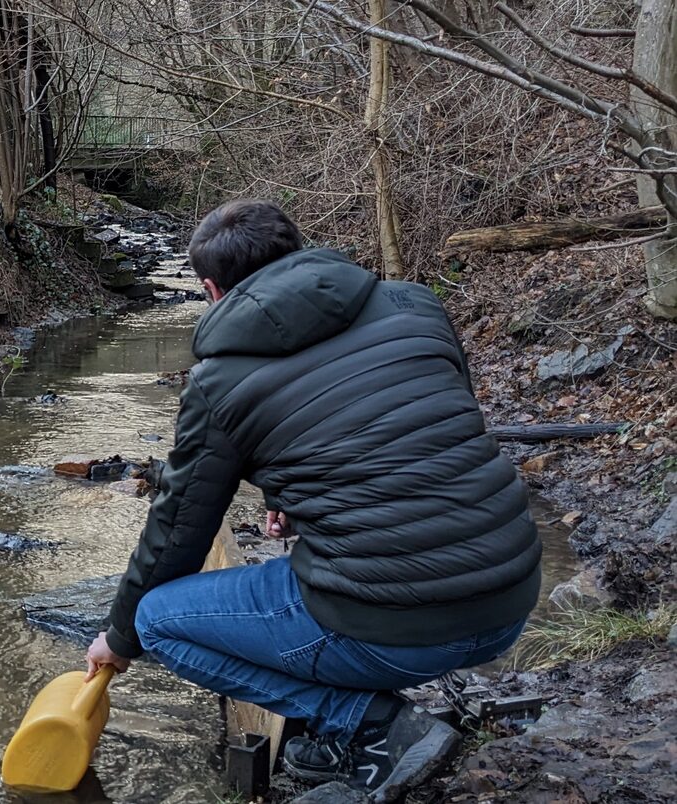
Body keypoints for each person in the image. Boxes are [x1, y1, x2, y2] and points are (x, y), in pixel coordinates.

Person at [83, 200, 540, 801]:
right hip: (510, 597)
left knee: (157, 622)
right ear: (299, 251)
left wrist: (117, 638)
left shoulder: (217, 382)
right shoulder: (415, 305)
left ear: (210, 289)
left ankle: (371, 726)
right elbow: (421, 434)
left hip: (405, 631)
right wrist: (292, 494)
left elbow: (178, 530)